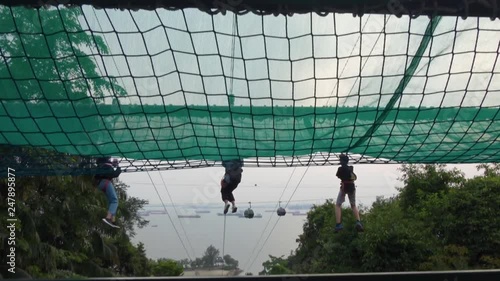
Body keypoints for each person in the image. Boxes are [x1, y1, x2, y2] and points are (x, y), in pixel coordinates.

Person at [334, 154, 364, 232]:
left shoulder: (340, 169)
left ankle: (338, 224)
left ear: (341, 161)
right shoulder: (351, 168)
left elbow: (338, 176)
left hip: (344, 187)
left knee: (338, 205)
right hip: (351, 187)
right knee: (353, 205)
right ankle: (358, 222)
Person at [94, 157, 122, 228]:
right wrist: (118, 167)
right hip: (106, 182)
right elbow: (115, 174)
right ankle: (108, 218)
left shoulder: (99, 167)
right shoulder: (107, 166)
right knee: (115, 201)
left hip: (100, 184)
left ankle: (113, 220)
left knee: (111, 201)